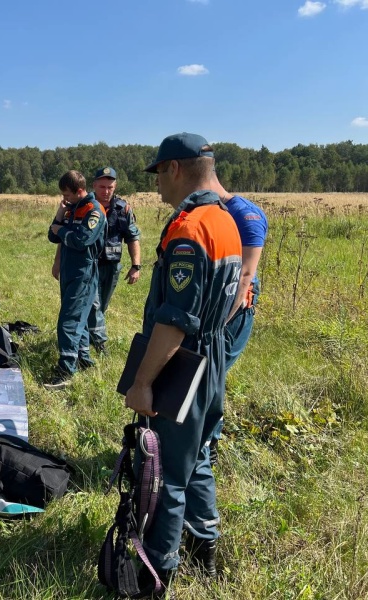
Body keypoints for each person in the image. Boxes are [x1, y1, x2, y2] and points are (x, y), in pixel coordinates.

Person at [125, 133, 242, 596]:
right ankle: (204, 548)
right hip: (211, 356)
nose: (157, 187)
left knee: (166, 472)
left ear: (174, 168)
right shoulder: (227, 221)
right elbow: (234, 297)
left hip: (182, 361)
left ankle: (156, 572)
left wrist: (143, 382)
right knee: (199, 459)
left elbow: (174, 322)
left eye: (158, 175)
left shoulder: (190, 228)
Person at [206, 175, 269, 464]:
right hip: (209, 311)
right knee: (203, 373)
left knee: (211, 374)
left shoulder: (245, 214)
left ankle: (209, 442)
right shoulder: (209, 211)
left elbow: (245, 276)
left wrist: (220, 323)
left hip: (232, 314)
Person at [44, 170, 105, 390]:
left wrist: (62, 231)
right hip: (69, 271)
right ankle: (83, 360)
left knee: (68, 321)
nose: (64, 199)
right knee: (77, 317)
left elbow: (81, 241)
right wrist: (60, 216)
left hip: (84, 273)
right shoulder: (71, 209)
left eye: (67, 194)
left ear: (80, 191)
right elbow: (52, 235)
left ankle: (66, 370)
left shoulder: (93, 211)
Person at [87, 166, 142, 354]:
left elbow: (133, 237)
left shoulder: (123, 209)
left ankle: (85, 339)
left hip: (112, 265)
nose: (106, 191)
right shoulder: (86, 206)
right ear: (94, 185)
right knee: (93, 305)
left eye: (110, 187)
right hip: (90, 265)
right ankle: (101, 345)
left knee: (101, 306)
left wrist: (136, 265)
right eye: (102, 187)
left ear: (115, 186)